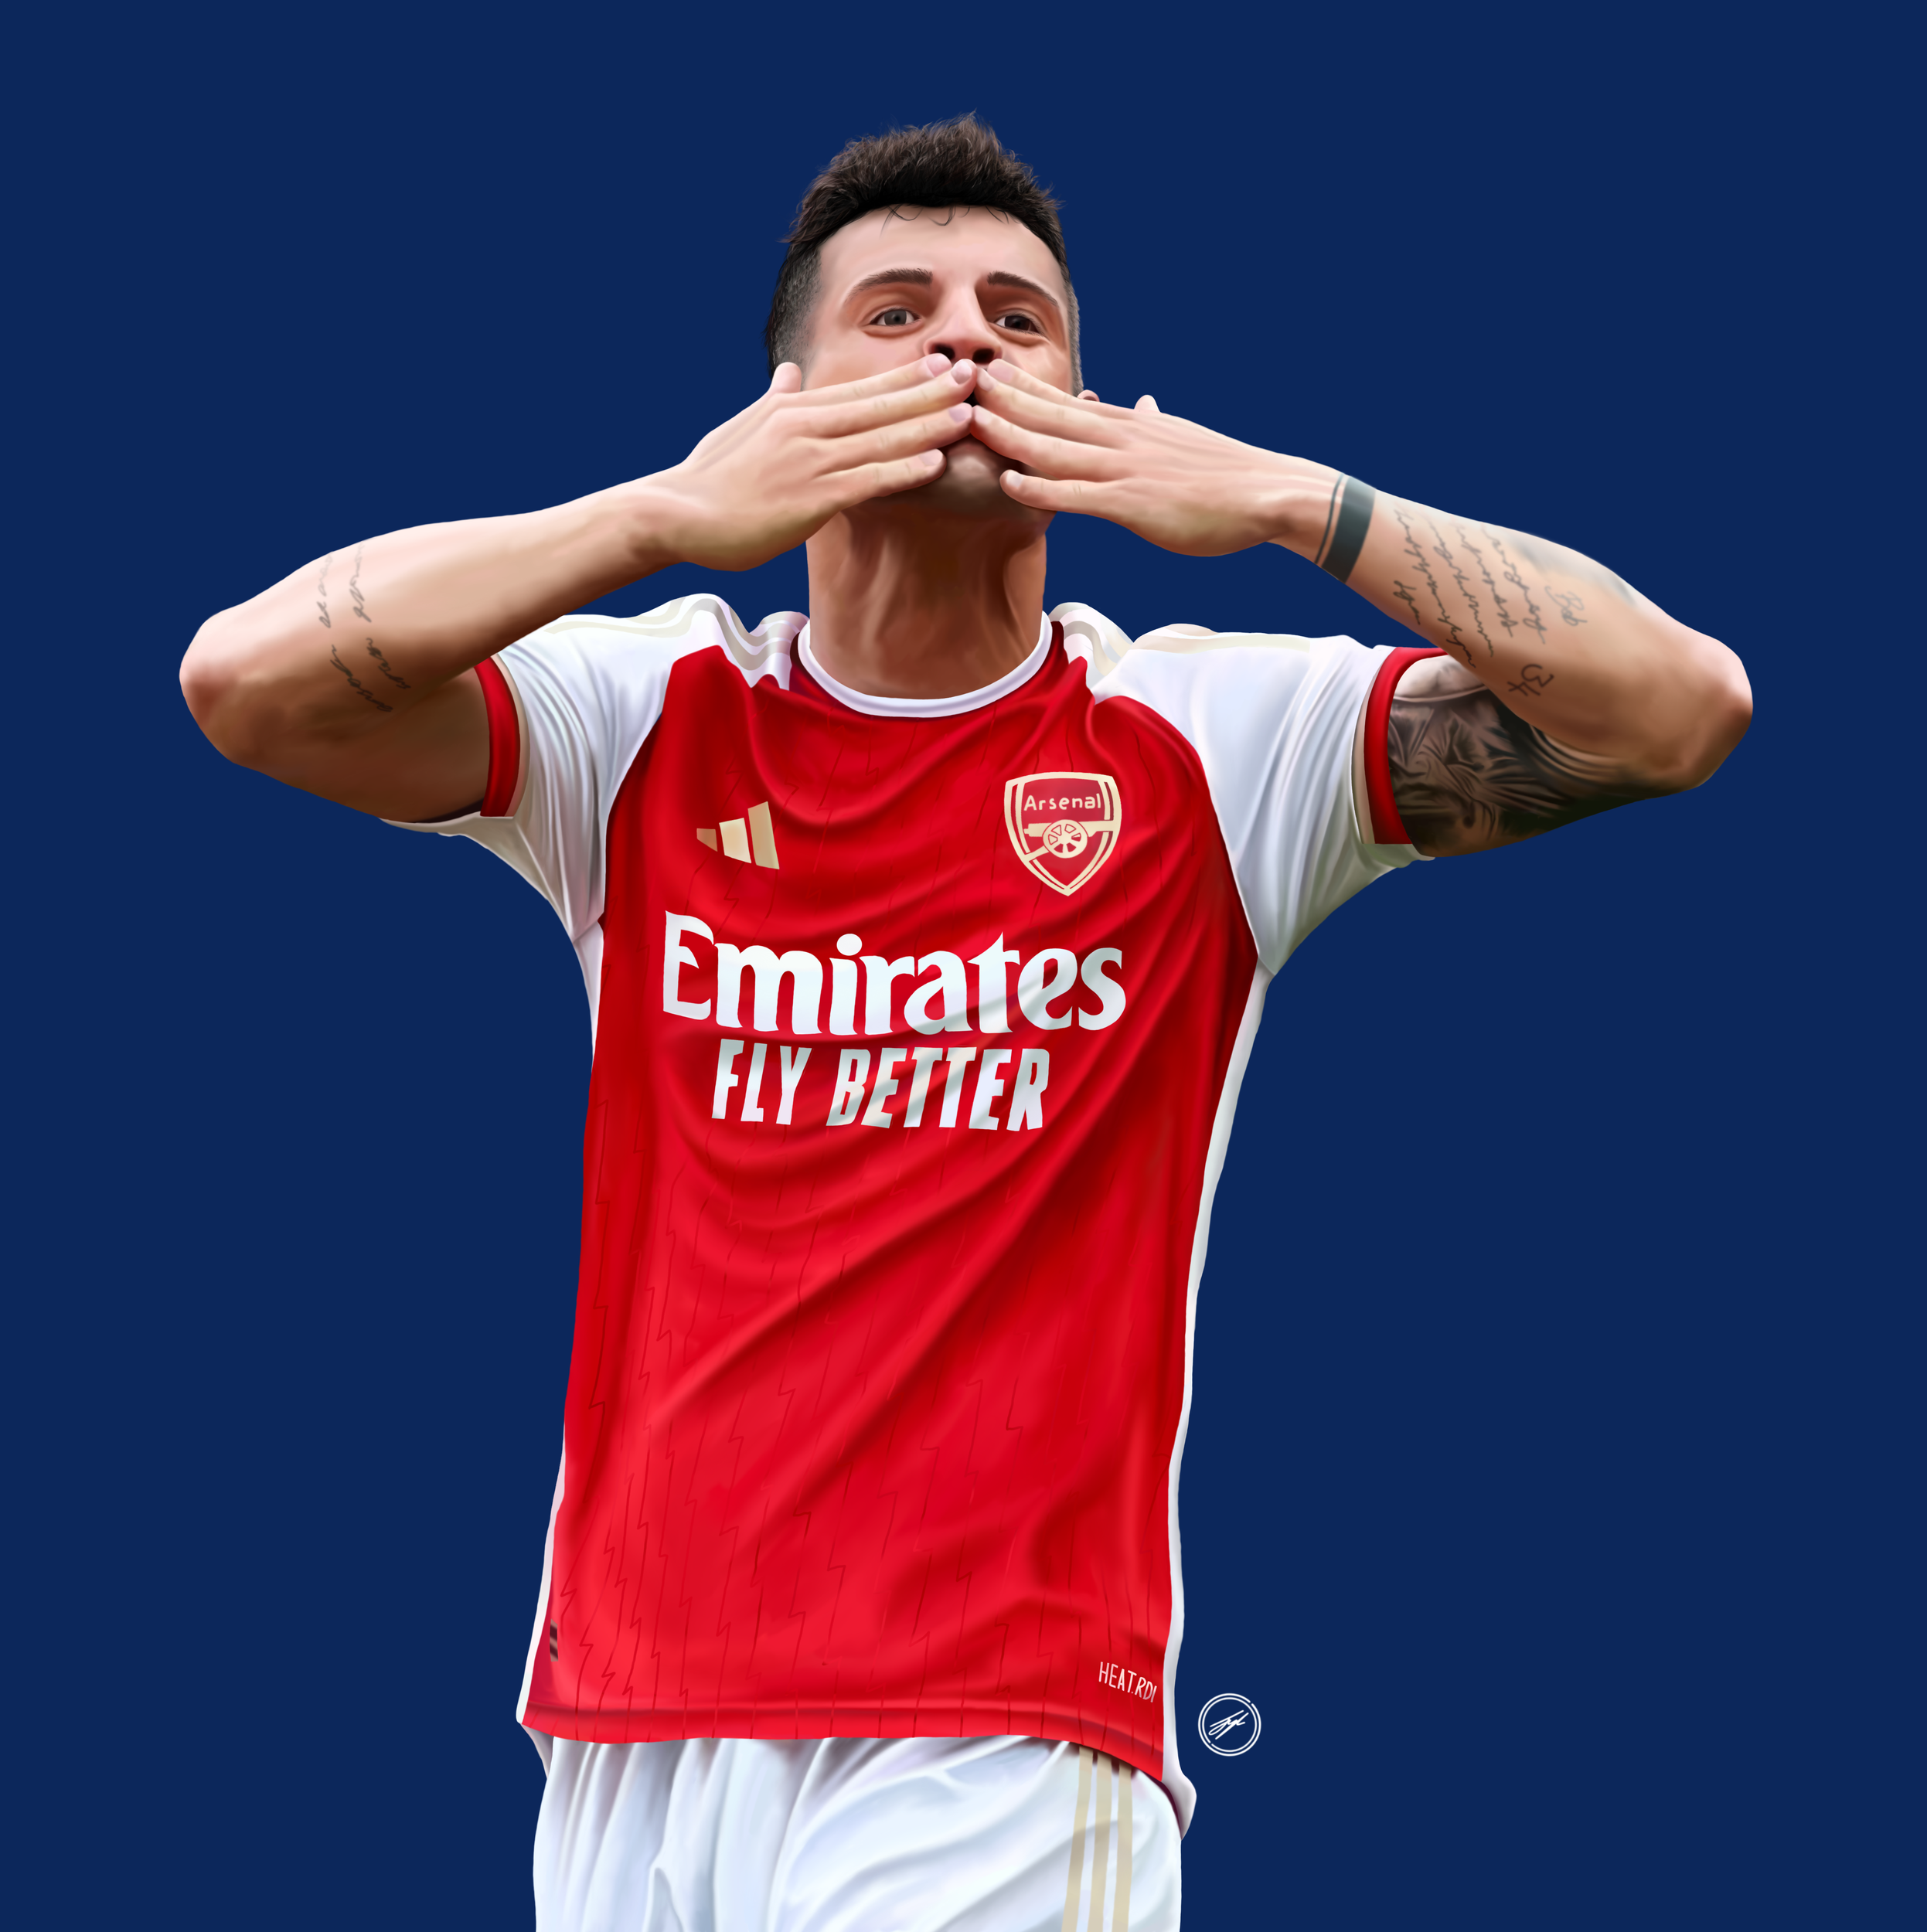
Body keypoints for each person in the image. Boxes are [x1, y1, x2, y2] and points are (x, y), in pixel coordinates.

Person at [180, 114, 1750, 1932]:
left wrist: (1290, 505)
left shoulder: (1215, 744)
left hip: (1001, 1736)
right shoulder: (643, 721)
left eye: (1020, 320)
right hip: (631, 1732)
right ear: (784, 394)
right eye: (897, 312)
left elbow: (1677, 707)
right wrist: (653, 514)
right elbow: (245, 681)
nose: (964, 347)